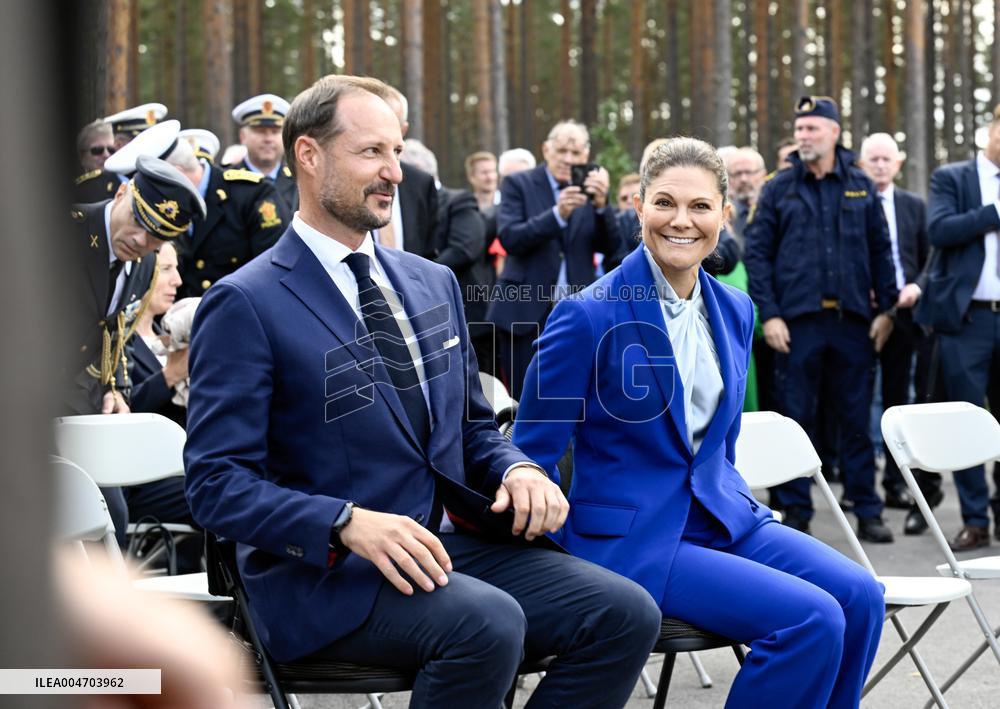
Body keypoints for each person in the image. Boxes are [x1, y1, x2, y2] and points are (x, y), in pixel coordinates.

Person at [183, 74, 661, 707]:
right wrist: (344, 523)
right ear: (308, 154)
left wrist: (517, 469)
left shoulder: (432, 281)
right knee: (487, 626)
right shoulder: (247, 301)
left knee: (626, 612)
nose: (394, 171)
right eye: (371, 152)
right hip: (327, 574)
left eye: (398, 151)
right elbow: (216, 484)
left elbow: (470, 427)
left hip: (449, 547)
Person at [513, 137, 885, 709]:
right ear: (637, 207)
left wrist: (734, 501)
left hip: (721, 516)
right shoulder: (587, 313)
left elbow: (722, 441)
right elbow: (529, 453)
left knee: (861, 595)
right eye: (664, 203)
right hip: (634, 538)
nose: (681, 221)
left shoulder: (736, 310)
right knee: (810, 620)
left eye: (700, 207)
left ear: (725, 214)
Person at [744, 97, 898, 541]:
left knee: (854, 419)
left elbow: (881, 250)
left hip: (853, 321)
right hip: (796, 324)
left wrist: (886, 310)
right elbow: (758, 254)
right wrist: (769, 315)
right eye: (800, 129)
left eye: (813, 128)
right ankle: (795, 510)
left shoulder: (860, 185)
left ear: (834, 132)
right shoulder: (778, 187)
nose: (804, 136)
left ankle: (867, 509)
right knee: (796, 418)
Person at [66, 154, 206, 543]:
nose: (142, 241)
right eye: (140, 223)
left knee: (110, 517)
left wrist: (116, 390)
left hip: (85, 414)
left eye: (158, 238)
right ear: (123, 192)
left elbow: (113, 336)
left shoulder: (141, 263)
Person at [915, 102, 1000, 550]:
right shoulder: (954, 178)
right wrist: (994, 212)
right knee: (969, 421)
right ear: (992, 130)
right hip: (969, 320)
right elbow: (940, 230)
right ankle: (974, 519)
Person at [486, 120, 622, 399]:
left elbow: (613, 250)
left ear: (586, 156)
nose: (568, 160)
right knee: (524, 398)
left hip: (577, 311)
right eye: (561, 151)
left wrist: (602, 208)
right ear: (546, 150)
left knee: (575, 396)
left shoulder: (591, 192)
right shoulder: (518, 183)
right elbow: (510, 238)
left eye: (576, 154)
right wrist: (557, 215)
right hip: (524, 311)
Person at [858, 133, 929, 518]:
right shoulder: (852, 204)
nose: (881, 166)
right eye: (874, 159)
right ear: (862, 164)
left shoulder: (914, 206)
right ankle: (862, 486)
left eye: (887, 159)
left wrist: (916, 286)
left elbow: (927, 255)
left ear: (898, 164)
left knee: (898, 402)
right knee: (857, 400)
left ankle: (896, 484)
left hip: (905, 315)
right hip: (862, 313)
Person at [163, 137, 288, 297]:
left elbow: (273, 270)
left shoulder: (252, 195)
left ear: (177, 173)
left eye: (160, 180)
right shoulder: (172, 203)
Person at [231, 93, 299, 213]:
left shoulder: (298, 182)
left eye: (275, 132)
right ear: (243, 136)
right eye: (260, 131)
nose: (268, 139)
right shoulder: (228, 183)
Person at [723, 147, 767, 245]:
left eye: (749, 172)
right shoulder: (723, 216)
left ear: (763, 175)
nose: (743, 179)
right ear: (729, 179)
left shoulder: (777, 210)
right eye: (737, 173)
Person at [74, 120, 119, 205]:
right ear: (82, 156)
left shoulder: (125, 184)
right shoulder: (79, 191)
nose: (106, 155)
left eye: (111, 150)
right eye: (97, 150)